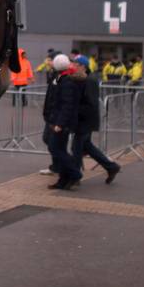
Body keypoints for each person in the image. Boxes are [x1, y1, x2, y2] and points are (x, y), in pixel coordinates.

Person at [72, 55, 121, 185]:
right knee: (87, 146)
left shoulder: (89, 80)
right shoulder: (84, 79)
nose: (73, 66)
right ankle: (111, 167)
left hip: (85, 121)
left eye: (75, 64)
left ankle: (75, 176)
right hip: (85, 120)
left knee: (76, 147)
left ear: (82, 66)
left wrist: (76, 110)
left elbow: (90, 103)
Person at [42, 54, 83, 190]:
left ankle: (75, 173)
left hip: (62, 123)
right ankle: (63, 179)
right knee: (58, 149)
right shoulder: (59, 78)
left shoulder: (67, 82)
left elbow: (67, 105)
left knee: (55, 148)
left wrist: (60, 123)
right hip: (55, 120)